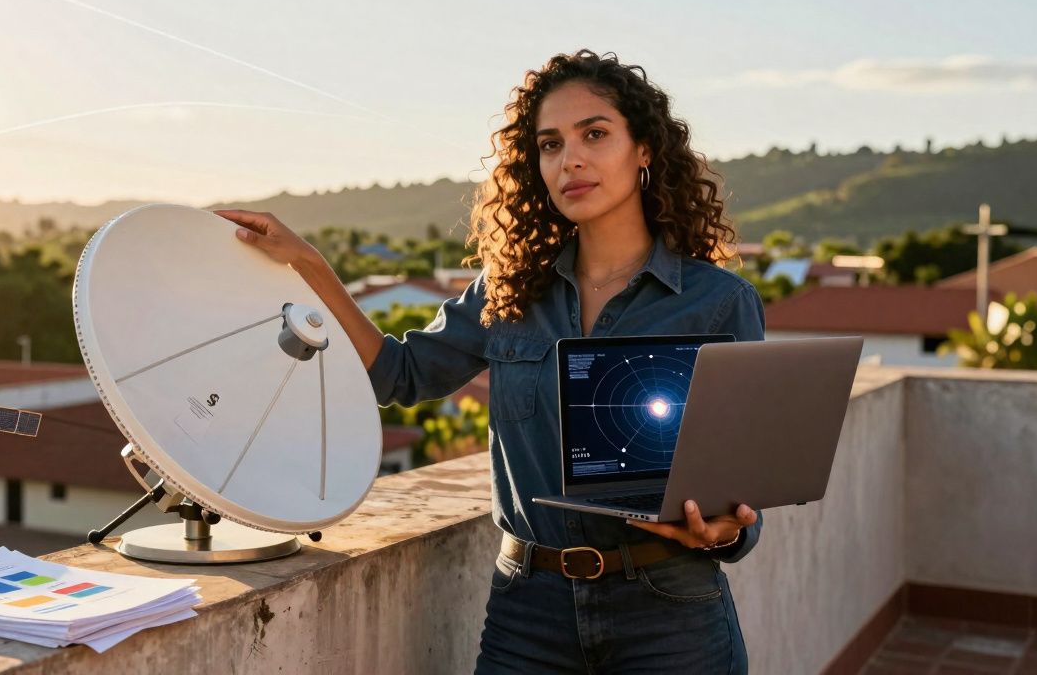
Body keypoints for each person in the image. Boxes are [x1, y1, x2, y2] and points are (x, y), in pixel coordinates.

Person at [215, 49, 763, 673]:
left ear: (644, 149)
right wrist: (310, 265)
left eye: (595, 134)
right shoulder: (508, 293)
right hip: (529, 612)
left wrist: (728, 529)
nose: (570, 159)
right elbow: (399, 374)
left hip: (671, 614)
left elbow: (746, 480)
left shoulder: (719, 302)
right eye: (550, 144)